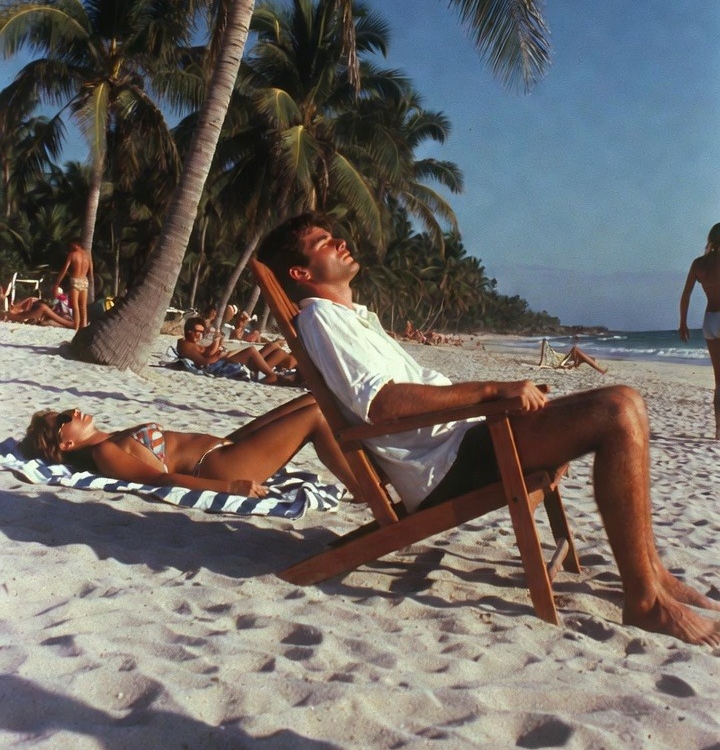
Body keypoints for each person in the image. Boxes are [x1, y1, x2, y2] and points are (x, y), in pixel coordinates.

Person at [257, 212, 720, 646]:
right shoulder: (322, 319)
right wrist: (491, 391)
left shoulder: (350, 318)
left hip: (461, 440)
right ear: (300, 272)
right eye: (323, 242)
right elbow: (384, 403)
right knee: (617, 408)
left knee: (627, 402)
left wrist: (495, 401)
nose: (340, 241)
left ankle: (654, 574)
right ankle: (645, 601)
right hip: (446, 463)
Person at [22, 399, 363, 500]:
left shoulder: (108, 438)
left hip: (223, 446)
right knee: (316, 417)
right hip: (219, 466)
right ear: (66, 443)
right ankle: (363, 489)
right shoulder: (104, 453)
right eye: (64, 418)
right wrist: (229, 487)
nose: (74, 411)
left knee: (313, 399)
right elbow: (161, 481)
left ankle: (371, 470)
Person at [679, 222, 720, 439]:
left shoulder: (699, 264)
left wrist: (683, 323)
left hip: (709, 321)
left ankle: (719, 429)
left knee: (718, 381)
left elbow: (686, 295)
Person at [177, 317, 299, 384]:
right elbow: (205, 362)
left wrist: (217, 342)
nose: (199, 335)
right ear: (189, 331)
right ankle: (271, 375)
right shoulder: (186, 345)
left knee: (276, 350)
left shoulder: (191, 343)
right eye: (197, 332)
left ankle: (277, 372)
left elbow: (207, 353)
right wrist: (220, 354)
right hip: (221, 363)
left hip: (224, 359)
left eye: (201, 332)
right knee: (251, 350)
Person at [54, 241, 94, 330]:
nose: (70, 247)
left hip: (75, 280)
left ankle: (76, 326)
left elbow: (64, 270)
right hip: (84, 280)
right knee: (83, 306)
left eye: (72, 245)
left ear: (78, 245)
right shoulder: (88, 255)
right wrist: (90, 282)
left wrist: (57, 283)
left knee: (76, 306)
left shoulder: (72, 255)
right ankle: (84, 326)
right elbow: (91, 271)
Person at [538, 338, 607, 374]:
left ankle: (578, 362)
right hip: (561, 360)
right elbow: (542, 359)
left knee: (590, 358)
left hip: (564, 357)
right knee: (575, 349)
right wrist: (541, 363)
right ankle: (577, 362)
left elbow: (544, 343)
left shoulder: (550, 351)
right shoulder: (546, 351)